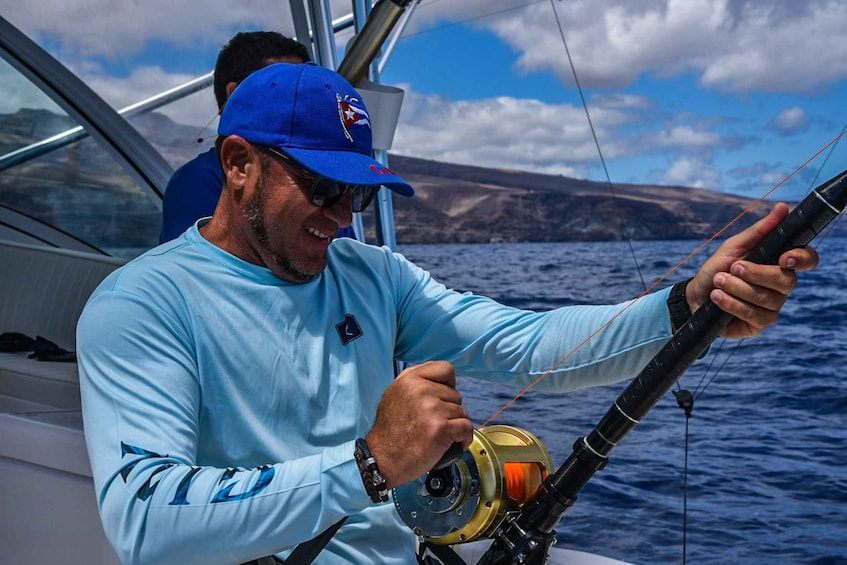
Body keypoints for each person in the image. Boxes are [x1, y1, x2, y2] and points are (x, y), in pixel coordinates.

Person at [77, 62, 819, 565]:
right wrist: (371, 464)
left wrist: (687, 305)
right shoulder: (143, 304)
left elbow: (530, 347)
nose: (340, 216)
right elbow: (148, 520)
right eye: (320, 187)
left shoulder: (372, 276)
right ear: (238, 163)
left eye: (357, 194)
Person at [159, 31, 356, 243]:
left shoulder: (330, 176)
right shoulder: (197, 182)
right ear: (234, 94)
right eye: (285, 88)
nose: (302, 100)